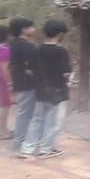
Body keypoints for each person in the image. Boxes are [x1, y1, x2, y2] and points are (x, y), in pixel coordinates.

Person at [18, 20, 71, 159]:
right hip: (58, 91)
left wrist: (40, 80)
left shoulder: (36, 50)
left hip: (40, 90)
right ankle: (46, 149)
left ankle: (27, 149)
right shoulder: (61, 51)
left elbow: (29, 70)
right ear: (60, 34)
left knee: (37, 120)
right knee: (53, 122)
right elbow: (65, 73)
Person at [8, 18, 38, 153]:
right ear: (23, 30)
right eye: (31, 27)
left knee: (23, 112)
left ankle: (21, 140)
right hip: (28, 83)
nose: (33, 30)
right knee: (26, 113)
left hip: (18, 81)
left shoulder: (12, 44)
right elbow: (30, 67)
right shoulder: (27, 46)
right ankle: (21, 141)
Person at [0, 26, 14, 140]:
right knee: (4, 106)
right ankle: (2, 132)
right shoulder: (4, 50)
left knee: (4, 106)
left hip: (1, 78)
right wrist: (10, 83)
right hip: (4, 80)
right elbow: (5, 68)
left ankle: (3, 130)